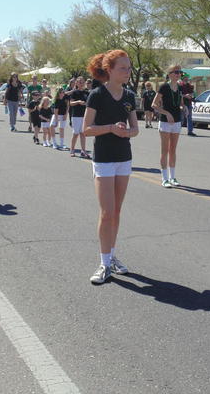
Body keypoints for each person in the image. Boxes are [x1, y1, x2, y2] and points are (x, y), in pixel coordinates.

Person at [83, 49, 138, 284]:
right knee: (106, 213)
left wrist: (127, 132)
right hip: (104, 159)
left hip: (124, 158)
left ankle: (113, 256)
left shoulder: (130, 96)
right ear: (110, 70)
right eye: (123, 68)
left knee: (116, 211)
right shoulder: (97, 95)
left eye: (129, 68)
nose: (127, 72)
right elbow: (86, 128)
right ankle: (104, 263)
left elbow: (136, 129)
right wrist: (110, 128)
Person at [152, 65, 185, 187]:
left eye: (179, 72)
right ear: (170, 74)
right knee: (165, 150)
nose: (178, 74)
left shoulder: (180, 87)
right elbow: (154, 105)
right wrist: (167, 113)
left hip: (177, 122)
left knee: (173, 150)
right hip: (165, 122)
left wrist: (183, 107)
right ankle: (164, 178)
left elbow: (180, 103)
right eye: (176, 72)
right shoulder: (164, 87)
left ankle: (172, 177)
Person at [69, 76, 90, 158]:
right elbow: (71, 103)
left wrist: (86, 104)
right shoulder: (74, 92)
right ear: (76, 83)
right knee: (75, 133)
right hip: (76, 115)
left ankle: (83, 151)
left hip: (84, 115)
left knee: (83, 134)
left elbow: (89, 103)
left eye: (82, 82)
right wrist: (78, 102)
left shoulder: (87, 92)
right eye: (79, 82)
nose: (81, 83)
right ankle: (72, 150)